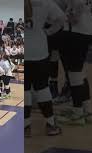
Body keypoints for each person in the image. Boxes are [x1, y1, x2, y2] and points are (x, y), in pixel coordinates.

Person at [56, 0, 92, 125]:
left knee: (74, 75)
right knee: (80, 73)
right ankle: (88, 111)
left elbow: (78, 3)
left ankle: (77, 113)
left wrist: (73, 16)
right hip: (86, 30)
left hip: (76, 33)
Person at [24, 0, 65, 136]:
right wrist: (48, 31)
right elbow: (61, 19)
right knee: (42, 87)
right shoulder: (45, 2)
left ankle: (26, 127)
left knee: (25, 90)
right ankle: (51, 124)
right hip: (40, 51)